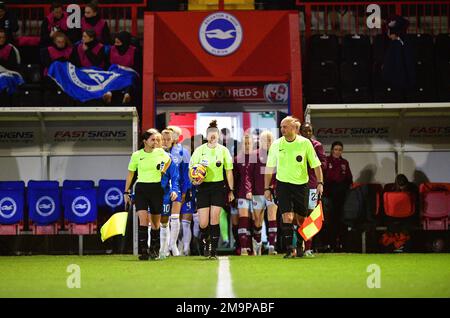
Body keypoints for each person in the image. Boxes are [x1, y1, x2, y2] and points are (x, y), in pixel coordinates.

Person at [264, 116, 324, 258]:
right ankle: (290, 248)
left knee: (301, 218)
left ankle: (300, 244)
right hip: (283, 185)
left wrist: (320, 183)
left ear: (294, 128)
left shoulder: (305, 144)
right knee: (287, 216)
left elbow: (316, 165)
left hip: (301, 185)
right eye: (281, 127)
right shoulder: (276, 145)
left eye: (285, 127)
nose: (282, 129)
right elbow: (269, 168)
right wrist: (266, 188)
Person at [189, 120, 234, 259]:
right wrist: (194, 179)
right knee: (203, 223)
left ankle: (213, 250)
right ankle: (206, 240)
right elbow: (191, 170)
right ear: (207, 136)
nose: (213, 137)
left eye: (215, 135)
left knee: (215, 219)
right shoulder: (199, 150)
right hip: (203, 187)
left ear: (218, 136)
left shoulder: (224, 151)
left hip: (218, 187)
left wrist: (231, 190)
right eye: (210, 135)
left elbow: (229, 172)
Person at [124, 129, 172, 260]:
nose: (156, 142)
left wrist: (162, 171)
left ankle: (154, 250)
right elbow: (130, 174)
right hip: (141, 189)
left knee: (156, 224)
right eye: (153, 140)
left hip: (156, 189)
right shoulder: (136, 155)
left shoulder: (161, 153)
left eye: (157, 140)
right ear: (145, 141)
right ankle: (144, 251)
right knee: (143, 220)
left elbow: (169, 161)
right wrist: (126, 191)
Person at [300, 122, 327, 257]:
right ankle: (298, 246)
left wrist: (311, 163)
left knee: (310, 215)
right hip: (297, 185)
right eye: (305, 131)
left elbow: (324, 164)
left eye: (310, 131)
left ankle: (308, 248)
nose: (307, 133)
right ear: (300, 132)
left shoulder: (317, 146)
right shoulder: (296, 145)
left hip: (312, 185)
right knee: (298, 215)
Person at [252, 130, 278, 255]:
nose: (267, 142)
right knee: (257, 221)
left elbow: (280, 173)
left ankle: (272, 246)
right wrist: (249, 190)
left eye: (269, 140)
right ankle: (257, 245)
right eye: (264, 140)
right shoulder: (254, 155)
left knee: (272, 217)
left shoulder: (277, 154)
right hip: (257, 192)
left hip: (272, 192)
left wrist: (274, 186)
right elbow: (249, 175)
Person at [324, 141, 353, 252]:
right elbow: (323, 177)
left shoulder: (344, 163)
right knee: (328, 221)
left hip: (341, 197)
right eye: (336, 149)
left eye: (340, 150)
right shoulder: (326, 161)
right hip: (328, 195)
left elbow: (349, 178)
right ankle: (328, 244)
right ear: (332, 150)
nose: (337, 152)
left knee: (340, 221)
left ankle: (340, 244)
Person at [156, 130, 180, 259]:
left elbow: (175, 176)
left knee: (165, 220)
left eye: (167, 139)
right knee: (150, 222)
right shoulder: (146, 155)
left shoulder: (175, 155)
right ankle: (151, 249)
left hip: (167, 192)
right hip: (150, 192)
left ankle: (166, 249)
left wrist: (175, 190)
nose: (163, 142)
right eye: (161, 140)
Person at [103, 31, 140, 104]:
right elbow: (107, 63)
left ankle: (127, 94)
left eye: (118, 43)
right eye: (115, 42)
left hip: (129, 71)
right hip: (115, 70)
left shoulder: (134, 51)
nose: (116, 45)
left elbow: (137, 66)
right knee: (112, 77)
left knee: (130, 79)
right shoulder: (111, 49)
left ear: (125, 42)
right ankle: (109, 93)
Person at [381, 15, 415, 93]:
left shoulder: (400, 43)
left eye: (389, 30)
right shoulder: (395, 43)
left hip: (400, 80)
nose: (387, 32)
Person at [234, 133, 254, 256]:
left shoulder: (257, 158)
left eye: (249, 143)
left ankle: (252, 247)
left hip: (256, 193)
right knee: (241, 220)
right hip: (241, 193)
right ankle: (242, 247)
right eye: (245, 143)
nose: (247, 145)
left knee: (255, 221)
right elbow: (235, 179)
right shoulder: (236, 159)